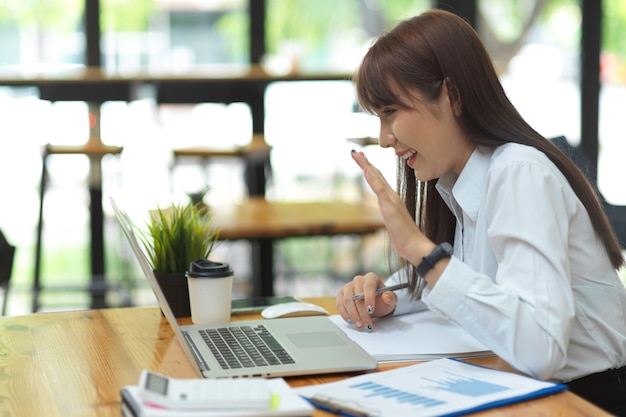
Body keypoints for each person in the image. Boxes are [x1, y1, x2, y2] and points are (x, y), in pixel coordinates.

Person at [336, 9, 626, 415]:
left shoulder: (518, 172)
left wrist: (421, 251)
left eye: (390, 113)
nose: (385, 139)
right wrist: (387, 295)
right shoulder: (465, 181)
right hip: (534, 391)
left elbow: (542, 349)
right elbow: (476, 279)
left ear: (451, 95)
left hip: (587, 400)